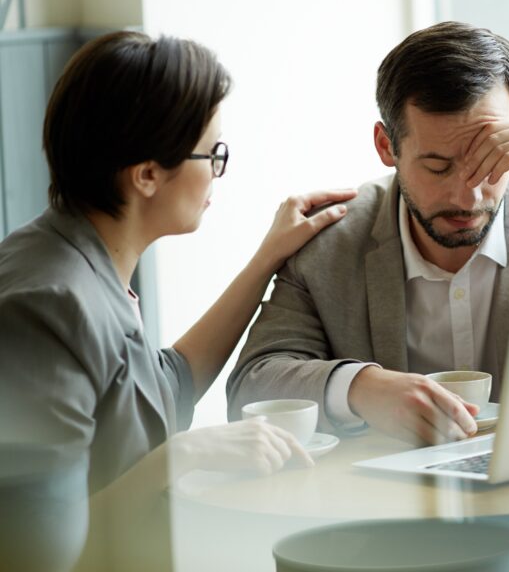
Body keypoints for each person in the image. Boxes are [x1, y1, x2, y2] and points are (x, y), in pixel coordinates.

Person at [0, 31, 357, 570]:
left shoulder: (78, 257)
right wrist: (181, 456)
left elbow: (162, 388)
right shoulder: (47, 305)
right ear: (147, 174)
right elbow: (37, 551)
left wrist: (266, 261)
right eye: (213, 153)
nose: (218, 171)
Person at [227, 21, 509, 446]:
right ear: (386, 146)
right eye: (438, 167)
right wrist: (361, 387)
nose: (467, 195)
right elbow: (252, 386)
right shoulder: (330, 237)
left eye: (489, 161)